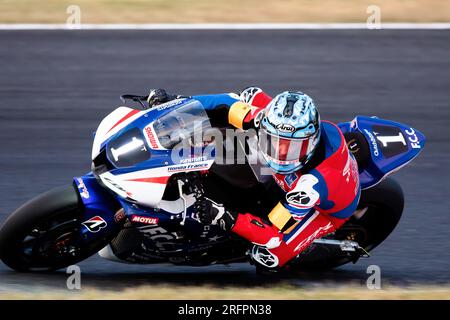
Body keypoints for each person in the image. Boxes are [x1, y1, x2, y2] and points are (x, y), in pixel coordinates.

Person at [146, 87, 360, 270]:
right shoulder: (265, 118)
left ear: (311, 142)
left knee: (268, 257)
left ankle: (323, 248)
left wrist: (224, 215)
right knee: (232, 122)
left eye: (293, 147)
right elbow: (226, 103)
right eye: (275, 140)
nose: (281, 152)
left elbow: (273, 232)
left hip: (324, 210)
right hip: (287, 176)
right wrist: (176, 104)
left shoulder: (309, 189)